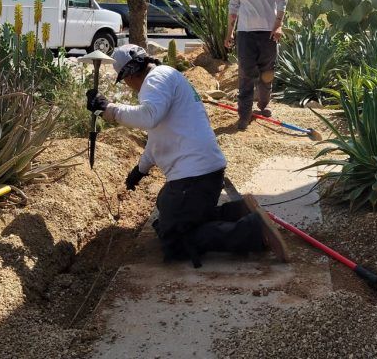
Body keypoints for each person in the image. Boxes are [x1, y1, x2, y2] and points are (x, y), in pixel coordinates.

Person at [86, 44, 288, 267]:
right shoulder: (167, 78)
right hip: (205, 173)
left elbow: (148, 117)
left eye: (124, 80)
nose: (128, 86)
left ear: (130, 74)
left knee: (174, 241)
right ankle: (237, 211)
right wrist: (140, 170)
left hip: (193, 178)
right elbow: (157, 137)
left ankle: (251, 231)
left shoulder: (154, 82)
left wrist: (109, 109)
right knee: (166, 203)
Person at [224, 0, 288, 130]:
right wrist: (229, 33)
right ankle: (244, 115)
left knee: (267, 73)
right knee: (245, 75)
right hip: (245, 34)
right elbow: (233, 7)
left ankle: (263, 105)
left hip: (268, 32)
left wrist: (279, 25)